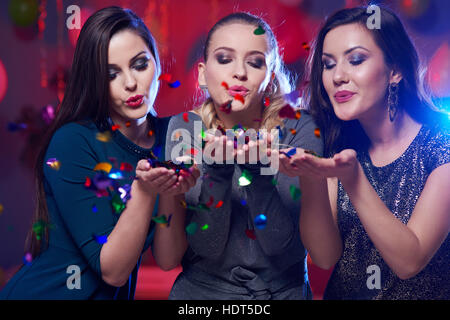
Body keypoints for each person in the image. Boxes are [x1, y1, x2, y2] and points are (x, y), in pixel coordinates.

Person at [0, 6, 198, 300]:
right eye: (111, 73)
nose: (130, 83)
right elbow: (113, 271)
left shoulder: (177, 133)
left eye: (140, 64)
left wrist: (170, 189)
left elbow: (168, 259)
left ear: (157, 63)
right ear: (94, 81)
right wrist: (144, 190)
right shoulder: (72, 142)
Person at [278, 6, 450, 299]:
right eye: (329, 65)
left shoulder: (441, 147)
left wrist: (354, 180)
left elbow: (410, 261)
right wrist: (311, 177)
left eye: (356, 60)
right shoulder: (336, 145)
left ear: (394, 70)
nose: (338, 77)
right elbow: (324, 256)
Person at [165, 12, 323, 300]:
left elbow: (280, 247)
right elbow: (207, 247)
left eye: (255, 62)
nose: (239, 72)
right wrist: (217, 171)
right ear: (202, 73)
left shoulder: (299, 127)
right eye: (225, 59)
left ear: (270, 77)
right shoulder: (186, 128)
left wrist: (256, 172)